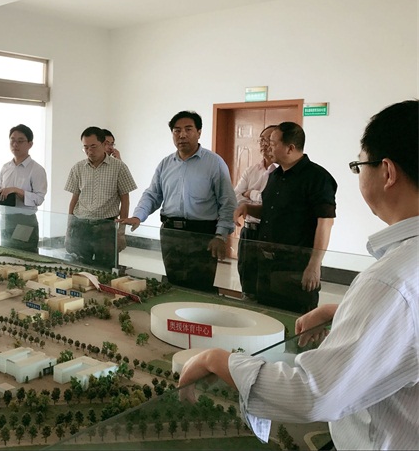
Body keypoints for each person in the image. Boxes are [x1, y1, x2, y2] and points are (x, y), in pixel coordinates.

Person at [178, 100, 419, 450]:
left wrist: (217, 359)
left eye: (359, 165)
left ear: (387, 172)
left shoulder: (391, 280)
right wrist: (346, 312)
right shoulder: (399, 278)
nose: (267, 147)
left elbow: (311, 393)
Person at [120, 111, 236, 291]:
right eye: (177, 130)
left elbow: (227, 202)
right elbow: (152, 194)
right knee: (173, 284)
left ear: (199, 132)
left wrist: (220, 235)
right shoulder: (166, 164)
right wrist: (138, 216)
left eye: (188, 129)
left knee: (200, 287)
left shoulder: (214, 163)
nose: (182, 135)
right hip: (171, 233)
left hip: (202, 234)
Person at [234, 122, 337, 312]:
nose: (268, 147)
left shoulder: (317, 178)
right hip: (267, 263)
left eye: (273, 143)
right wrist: (247, 208)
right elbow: (270, 212)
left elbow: (325, 223)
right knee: (266, 315)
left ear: (290, 148)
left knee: (293, 317)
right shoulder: (275, 175)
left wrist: (314, 265)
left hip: (295, 266)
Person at [64, 126, 137, 269]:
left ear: (104, 144)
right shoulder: (78, 168)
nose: (89, 151)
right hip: (81, 226)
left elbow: (125, 200)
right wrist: (69, 229)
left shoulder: (119, 167)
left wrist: (121, 232)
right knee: (79, 269)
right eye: (85, 147)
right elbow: (74, 199)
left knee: (106, 270)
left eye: (93, 146)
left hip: (106, 228)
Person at [0, 124, 47, 253]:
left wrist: (17, 190)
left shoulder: (37, 170)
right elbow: (0, 188)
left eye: (20, 141)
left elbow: (39, 199)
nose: (15, 144)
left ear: (30, 144)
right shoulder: (5, 167)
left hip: (24, 219)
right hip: (6, 218)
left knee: (25, 257)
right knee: (6, 255)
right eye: (12, 140)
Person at [233, 125, 277, 299]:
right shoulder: (251, 170)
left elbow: (272, 203)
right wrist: (258, 199)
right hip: (249, 230)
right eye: (262, 140)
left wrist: (251, 194)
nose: (264, 144)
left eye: (269, 140)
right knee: (246, 275)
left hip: (268, 233)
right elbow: (236, 196)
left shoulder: (282, 174)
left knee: (267, 280)